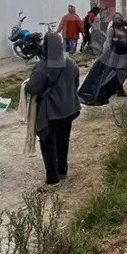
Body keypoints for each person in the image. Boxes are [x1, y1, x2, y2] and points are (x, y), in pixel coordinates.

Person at [24, 32, 81, 185]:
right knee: (63, 140)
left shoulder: (43, 66)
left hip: (51, 112)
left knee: (48, 142)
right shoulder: (70, 63)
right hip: (69, 110)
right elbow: (76, 84)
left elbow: (32, 88)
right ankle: (62, 170)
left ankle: (52, 177)